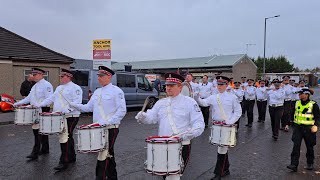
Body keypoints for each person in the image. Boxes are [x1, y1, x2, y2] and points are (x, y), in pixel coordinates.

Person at [135, 73, 204, 180]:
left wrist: (190, 133)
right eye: (167, 85)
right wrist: (143, 117)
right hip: (162, 144)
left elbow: (199, 124)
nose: (168, 88)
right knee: (164, 175)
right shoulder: (160, 103)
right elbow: (151, 118)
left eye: (172, 85)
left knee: (173, 176)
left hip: (181, 144)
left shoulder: (190, 102)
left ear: (180, 87)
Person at [70, 66, 126, 180]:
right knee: (108, 153)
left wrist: (108, 122)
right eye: (98, 76)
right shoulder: (97, 91)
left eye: (101, 76)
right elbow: (88, 107)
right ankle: (112, 177)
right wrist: (75, 105)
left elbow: (122, 110)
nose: (99, 78)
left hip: (111, 127)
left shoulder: (116, 91)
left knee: (103, 153)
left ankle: (100, 177)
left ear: (109, 76)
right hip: (98, 128)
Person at [195, 76, 242, 180]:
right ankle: (226, 168)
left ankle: (218, 174)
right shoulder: (213, 97)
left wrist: (230, 121)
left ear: (227, 85)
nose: (219, 86)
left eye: (222, 84)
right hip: (216, 126)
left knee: (221, 149)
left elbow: (238, 112)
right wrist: (197, 97)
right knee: (222, 148)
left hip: (226, 127)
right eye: (218, 84)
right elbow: (204, 103)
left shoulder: (232, 97)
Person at [38, 69, 83, 171]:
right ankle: (71, 156)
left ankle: (64, 161)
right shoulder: (59, 88)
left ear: (69, 77)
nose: (60, 78)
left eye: (62, 76)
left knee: (64, 136)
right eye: (60, 76)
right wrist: (39, 104)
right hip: (60, 116)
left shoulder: (76, 88)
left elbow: (77, 102)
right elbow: (51, 98)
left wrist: (66, 111)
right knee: (68, 136)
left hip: (71, 116)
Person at [13, 68, 53, 160]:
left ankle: (35, 152)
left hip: (43, 109)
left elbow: (50, 99)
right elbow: (29, 98)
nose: (33, 76)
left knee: (38, 131)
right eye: (33, 74)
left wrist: (40, 105)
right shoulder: (35, 86)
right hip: (35, 109)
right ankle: (44, 149)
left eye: (35, 75)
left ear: (41, 75)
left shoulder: (47, 85)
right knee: (39, 131)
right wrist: (17, 103)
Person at [287, 88, 320, 172]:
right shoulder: (296, 103)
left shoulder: (313, 104)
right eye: (299, 94)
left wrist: (316, 125)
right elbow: (292, 113)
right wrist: (288, 123)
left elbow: (318, 117)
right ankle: (294, 165)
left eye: (301, 93)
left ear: (306, 94)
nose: (299, 95)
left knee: (309, 147)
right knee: (296, 146)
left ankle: (310, 163)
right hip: (298, 128)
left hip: (309, 129)